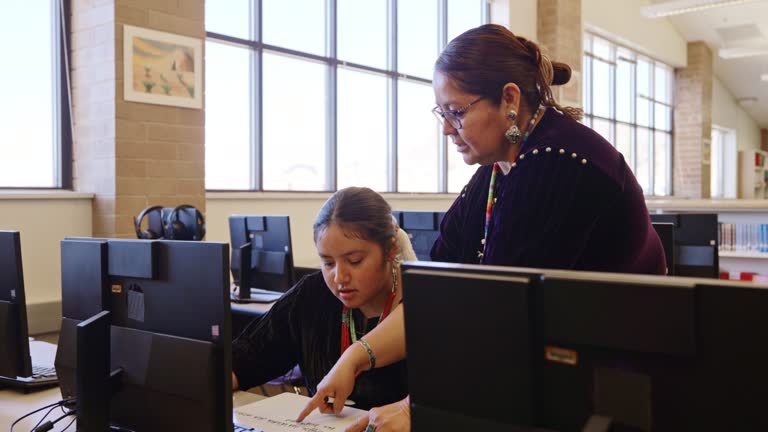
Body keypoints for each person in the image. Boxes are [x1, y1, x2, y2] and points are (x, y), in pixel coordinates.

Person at [297, 24, 666, 431]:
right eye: (443, 113)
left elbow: (502, 320)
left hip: (611, 385)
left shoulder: (558, 163)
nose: (447, 129)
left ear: (509, 98)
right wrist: (355, 358)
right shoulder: (498, 168)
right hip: (548, 372)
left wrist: (412, 408)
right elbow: (438, 293)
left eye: (457, 111)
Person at [231, 186, 416, 411]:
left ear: (390, 250)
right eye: (328, 263)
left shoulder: (423, 303)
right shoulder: (312, 295)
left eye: (355, 260)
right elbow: (246, 360)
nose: (339, 277)